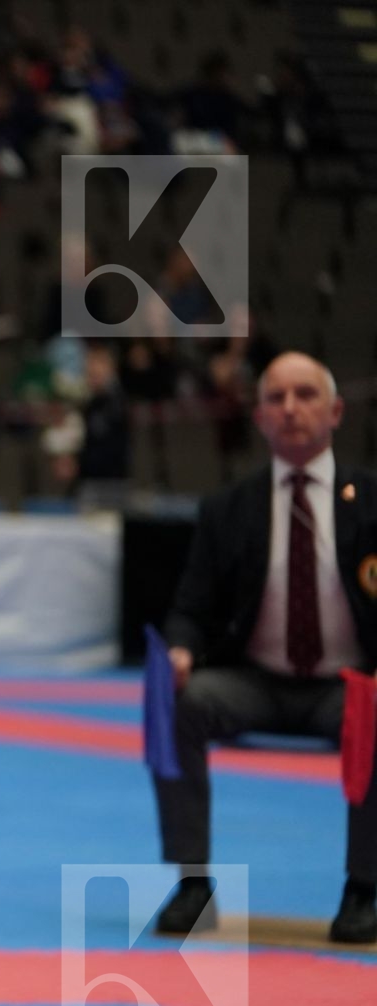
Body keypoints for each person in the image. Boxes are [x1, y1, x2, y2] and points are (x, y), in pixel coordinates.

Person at [154, 352, 377, 945]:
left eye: (305, 395)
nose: (290, 409)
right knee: (180, 702)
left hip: (348, 686)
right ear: (258, 418)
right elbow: (190, 609)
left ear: (336, 412)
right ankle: (191, 884)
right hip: (254, 681)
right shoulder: (229, 509)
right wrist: (180, 651)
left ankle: (363, 888)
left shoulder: (372, 503)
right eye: (276, 398)